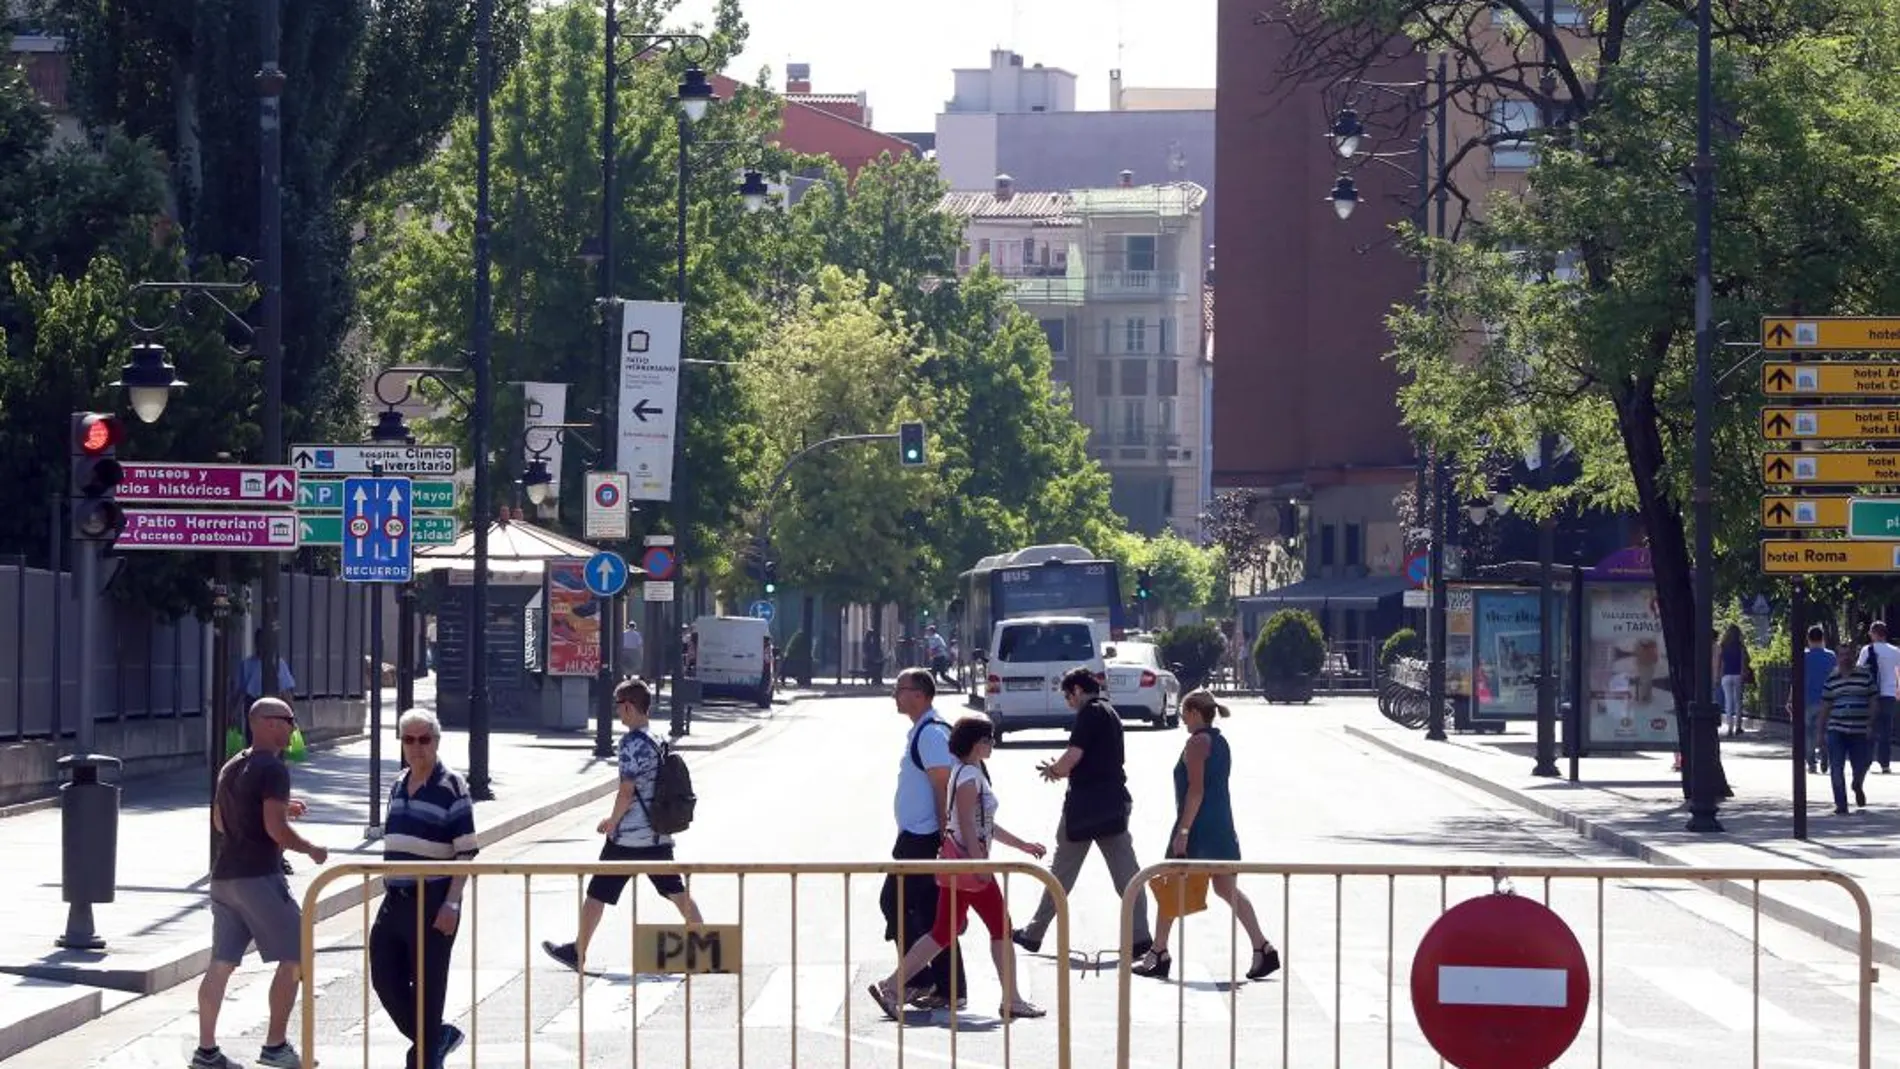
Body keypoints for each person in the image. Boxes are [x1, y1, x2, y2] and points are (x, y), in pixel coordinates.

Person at [869, 717, 1047, 1020]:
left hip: (959, 864)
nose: (992, 744)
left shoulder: (964, 773)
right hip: (969, 865)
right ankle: (1013, 1000)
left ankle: (891, 987)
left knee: (942, 932)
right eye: (987, 740)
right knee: (1000, 929)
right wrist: (979, 865)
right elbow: (966, 823)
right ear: (975, 744)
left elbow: (984, 824)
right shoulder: (969, 777)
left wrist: (1023, 845)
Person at [194, 698, 326, 1069]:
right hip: (259, 877)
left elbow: (220, 821)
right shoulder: (273, 768)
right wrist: (311, 849)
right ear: (266, 723)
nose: (292, 727)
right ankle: (275, 1045)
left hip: (224, 878)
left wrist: (282, 808)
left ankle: (206, 1051)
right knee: (296, 955)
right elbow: (275, 830)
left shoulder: (232, 766)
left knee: (221, 963)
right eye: (287, 720)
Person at [543, 679, 701, 971]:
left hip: (627, 838)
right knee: (676, 892)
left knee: (597, 893)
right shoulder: (659, 738)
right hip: (657, 835)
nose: (618, 713)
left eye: (619, 707)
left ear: (628, 706)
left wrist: (612, 822)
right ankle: (705, 945)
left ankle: (578, 951)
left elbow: (627, 790)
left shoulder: (631, 743)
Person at [1133, 690, 1280, 982]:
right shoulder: (1220, 741)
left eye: (1185, 714)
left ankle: (1158, 953)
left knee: (1171, 883)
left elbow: (1196, 790)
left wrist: (1183, 831)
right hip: (1221, 825)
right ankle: (1263, 947)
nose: (1183, 719)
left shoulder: (1197, 742)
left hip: (1198, 827)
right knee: (1226, 888)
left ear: (1195, 713)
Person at [1013, 668, 1153, 959]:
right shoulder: (1110, 713)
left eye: (1067, 695)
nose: (1068, 702)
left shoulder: (1088, 714)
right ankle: (1140, 938)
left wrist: (1054, 770)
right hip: (1112, 805)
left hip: (1084, 808)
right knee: (1129, 876)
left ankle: (1033, 933)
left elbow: (1072, 757)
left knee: (1060, 874)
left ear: (1077, 689)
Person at [370, 709, 478, 1069]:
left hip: (432, 899)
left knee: (429, 991)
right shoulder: (398, 783)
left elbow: (466, 852)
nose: (416, 747)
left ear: (436, 742)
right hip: (394, 898)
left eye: (424, 739)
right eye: (409, 739)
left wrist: (452, 903)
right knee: (384, 976)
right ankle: (436, 1038)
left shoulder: (452, 785)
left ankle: (425, 1055)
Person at [877, 667, 969, 1009]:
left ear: (919, 694)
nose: (894, 695)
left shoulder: (931, 733)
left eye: (899, 689)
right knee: (932, 913)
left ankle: (920, 979)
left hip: (925, 838)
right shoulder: (923, 730)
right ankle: (949, 988)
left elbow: (943, 785)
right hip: (919, 835)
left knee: (894, 903)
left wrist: (945, 838)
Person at [1821, 642, 1879, 815]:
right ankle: (1841, 804)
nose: (1845, 658)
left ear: (1854, 656)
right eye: (1842, 655)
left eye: (1848, 655)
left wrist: (1870, 723)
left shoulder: (1865, 676)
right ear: (1837, 658)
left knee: (1863, 763)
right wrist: (1820, 733)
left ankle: (1857, 784)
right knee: (1836, 767)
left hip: (1860, 729)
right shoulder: (1832, 679)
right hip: (1836, 729)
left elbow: (1874, 700)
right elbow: (1825, 706)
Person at [1859, 622, 1900, 773]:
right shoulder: (1895, 651)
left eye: (1871, 633)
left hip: (1871, 694)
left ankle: (1867, 760)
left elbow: (1860, 669)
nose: (1869, 635)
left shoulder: (1867, 650)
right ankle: (1885, 763)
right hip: (1889, 694)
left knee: (1870, 727)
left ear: (1875, 633)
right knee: (1886, 730)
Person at [1797, 625, 1837, 774]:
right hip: (1827, 700)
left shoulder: (1803, 657)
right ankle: (1825, 755)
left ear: (1808, 639)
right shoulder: (1831, 656)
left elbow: (1796, 680)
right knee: (1825, 730)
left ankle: (1811, 762)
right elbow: (1835, 677)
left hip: (1807, 699)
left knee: (1809, 732)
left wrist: (1790, 699)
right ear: (1823, 638)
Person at [1715, 625, 1750, 736]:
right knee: (1738, 702)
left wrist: (1718, 676)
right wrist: (1743, 672)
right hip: (1737, 675)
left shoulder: (1723, 646)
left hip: (1726, 676)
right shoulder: (1740, 647)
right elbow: (1744, 660)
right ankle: (1738, 727)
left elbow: (1721, 663)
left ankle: (1729, 727)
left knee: (1728, 701)